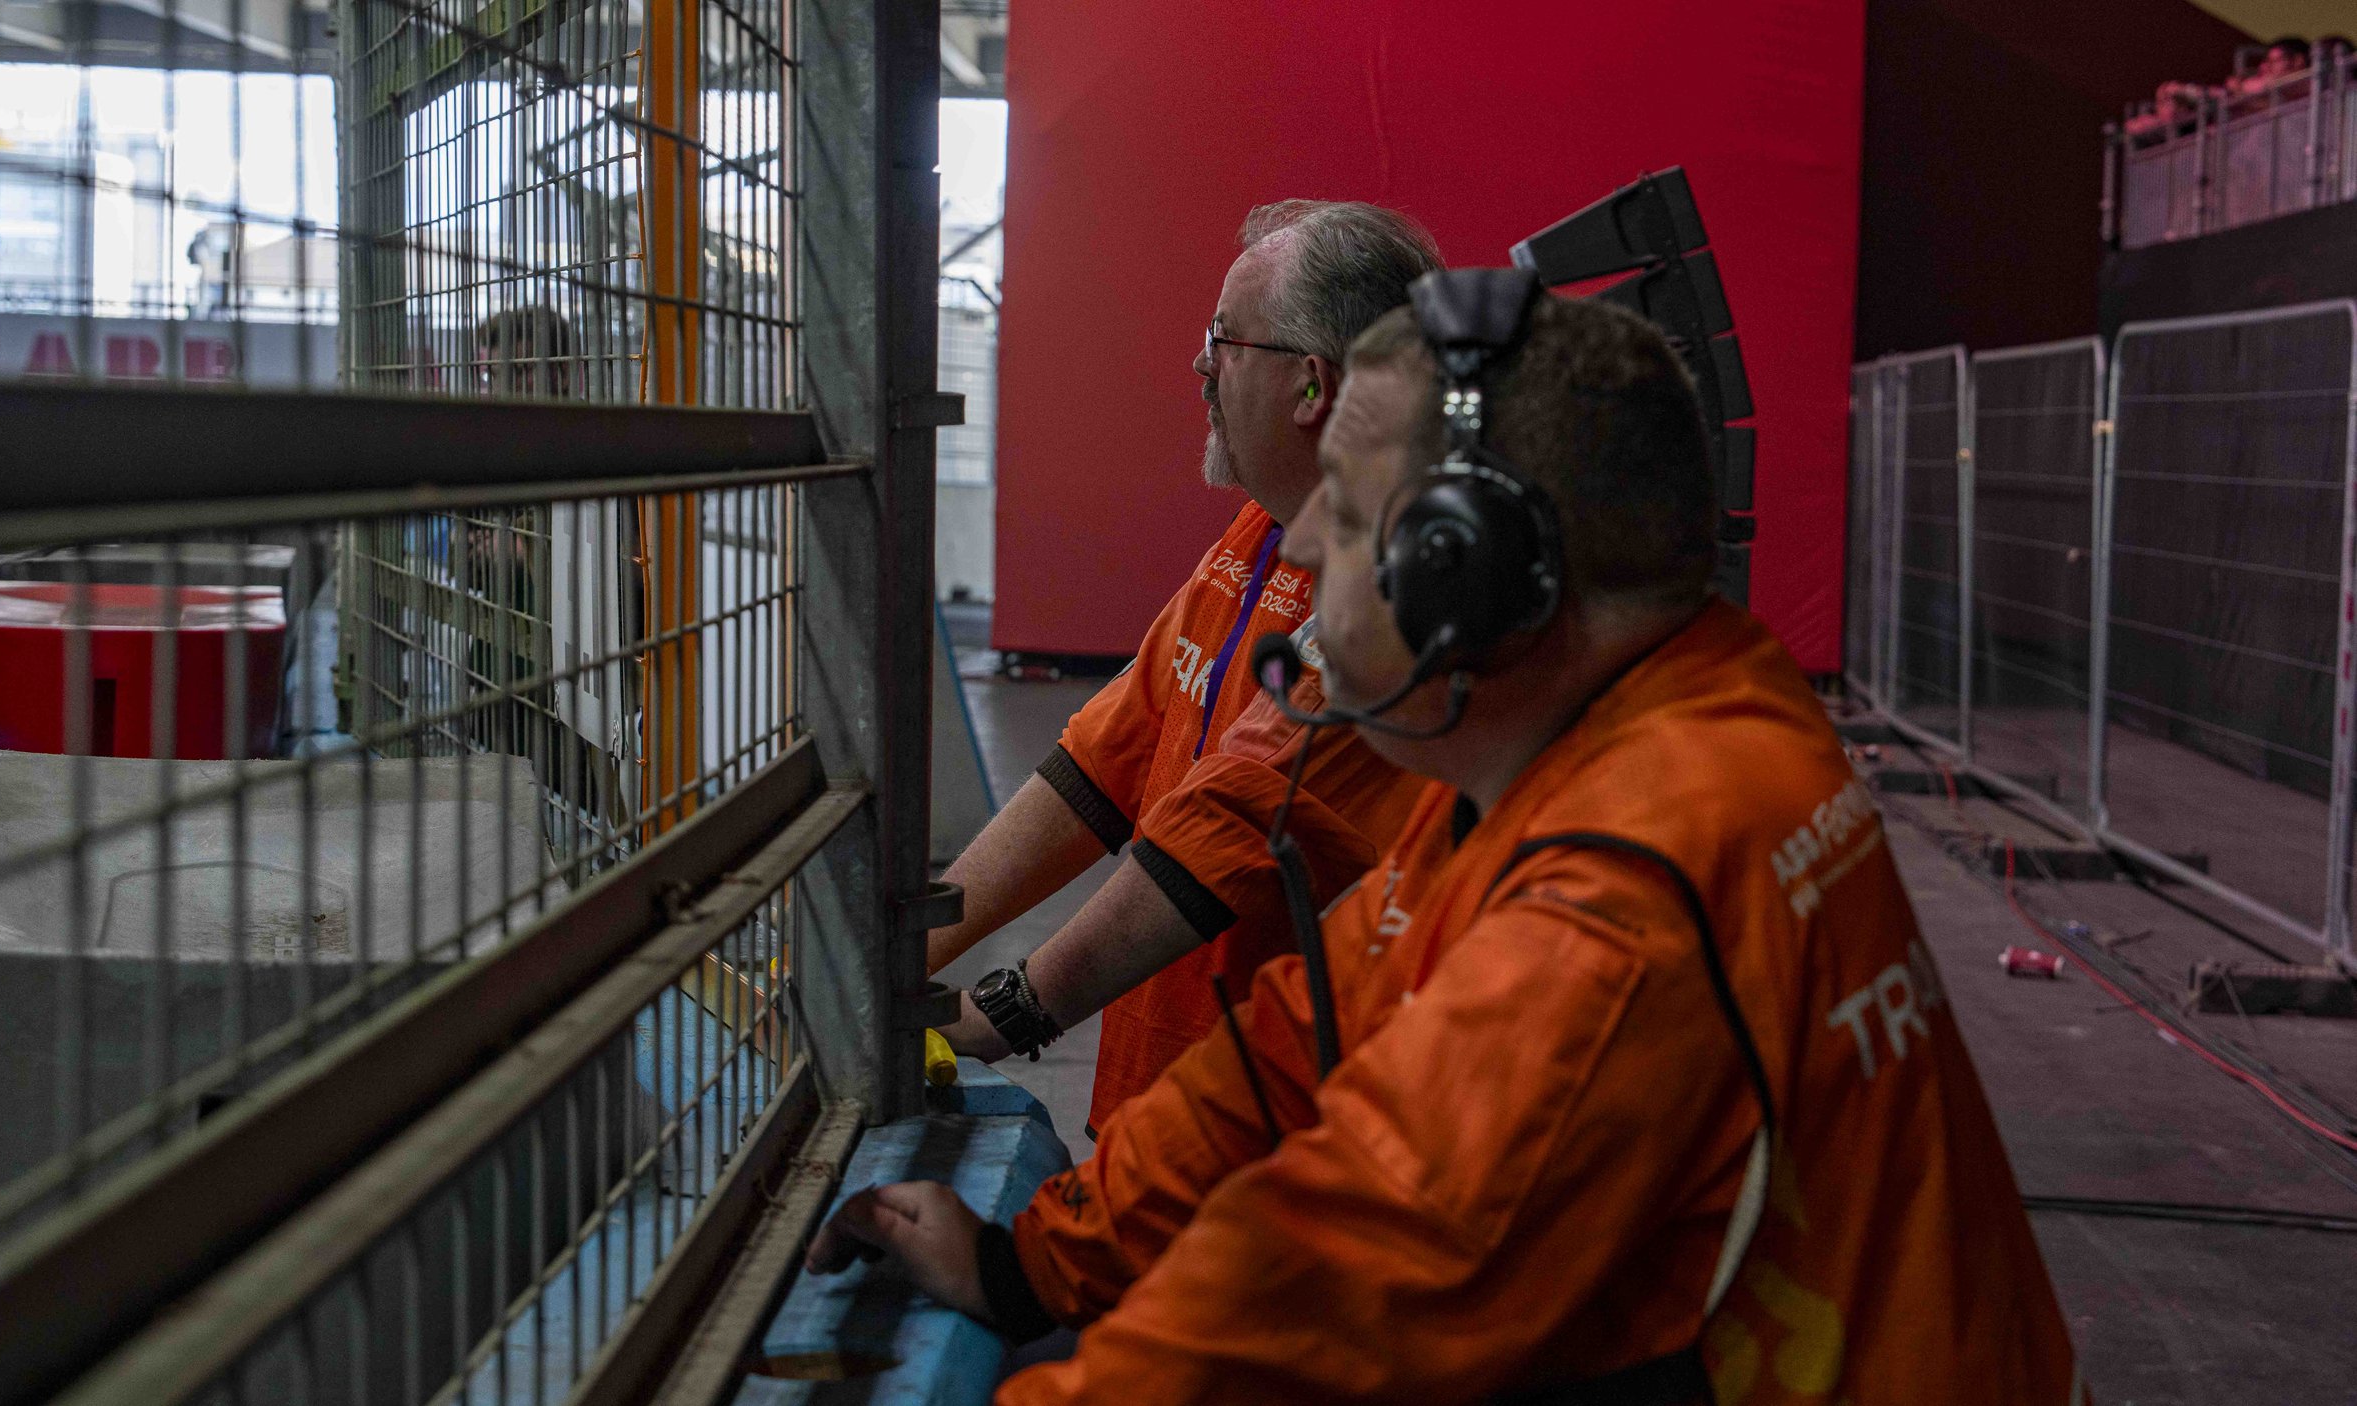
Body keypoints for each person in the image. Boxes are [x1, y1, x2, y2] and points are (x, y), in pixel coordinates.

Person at [812, 274, 2081, 1402]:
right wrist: (1033, 1262)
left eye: (1352, 510)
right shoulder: (1620, 726)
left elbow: (1322, 1298)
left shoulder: (1619, 900)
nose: (1303, 542)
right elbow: (1300, 1041)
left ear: (1470, 574)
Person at [929, 202, 1439, 1134]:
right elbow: (1102, 764)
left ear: (1311, 384)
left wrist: (1001, 1013)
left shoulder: (1396, 590)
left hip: (1275, 1134)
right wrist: (913, 945)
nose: (1200, 364)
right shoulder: (1258, 535)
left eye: (1224, 339)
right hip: (1159, 1113)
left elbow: (1228, 825)